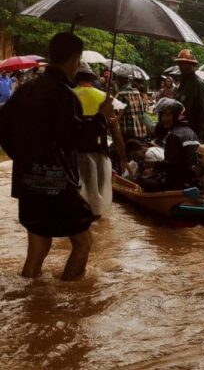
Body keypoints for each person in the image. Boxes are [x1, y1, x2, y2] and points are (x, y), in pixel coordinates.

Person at [0, 32, 113, 281]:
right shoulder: (64, 95)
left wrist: (24, 158)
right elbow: (72, 138)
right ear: (75, 58)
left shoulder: (26, 89)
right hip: (56, 183)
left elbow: (3, 128)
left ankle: (34, 305)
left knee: (38, 249)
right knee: (83, 242)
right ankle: (70, 307)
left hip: (26, 181)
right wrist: (101, 118)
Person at [73, 62, 128, 218]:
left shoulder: (68, 95)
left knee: (76, 195)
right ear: (92, 78)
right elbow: (116, 132)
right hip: (99, 153)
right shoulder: (104, 98)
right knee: (97, 195)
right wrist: (123, 158)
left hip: (74, 154)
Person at [138, 98, 199, 192]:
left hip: (177, 183)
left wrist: (154, 165)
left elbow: (173, 167)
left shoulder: (174, 136)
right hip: (191, 180)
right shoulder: (190, 131)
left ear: (176, 116)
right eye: (162, 116)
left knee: (141, 180)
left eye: (168, 115)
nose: (164, 119)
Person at [174, 49, 204, 142]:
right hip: (182, 131)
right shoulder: (183, 83)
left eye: (185, 63)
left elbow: (203, 114)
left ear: (192, 65)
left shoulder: (198, 85)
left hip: (195, 133)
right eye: (180, 63)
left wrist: (202, 137)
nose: (182, 66)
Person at [115, 72, 149, 140]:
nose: (117, 83)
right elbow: (145, 108)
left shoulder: (120, 94)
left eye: (117, 81)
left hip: (127, 131)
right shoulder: (137, 93)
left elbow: (116, 113)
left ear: (121, 81)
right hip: (140, 130)